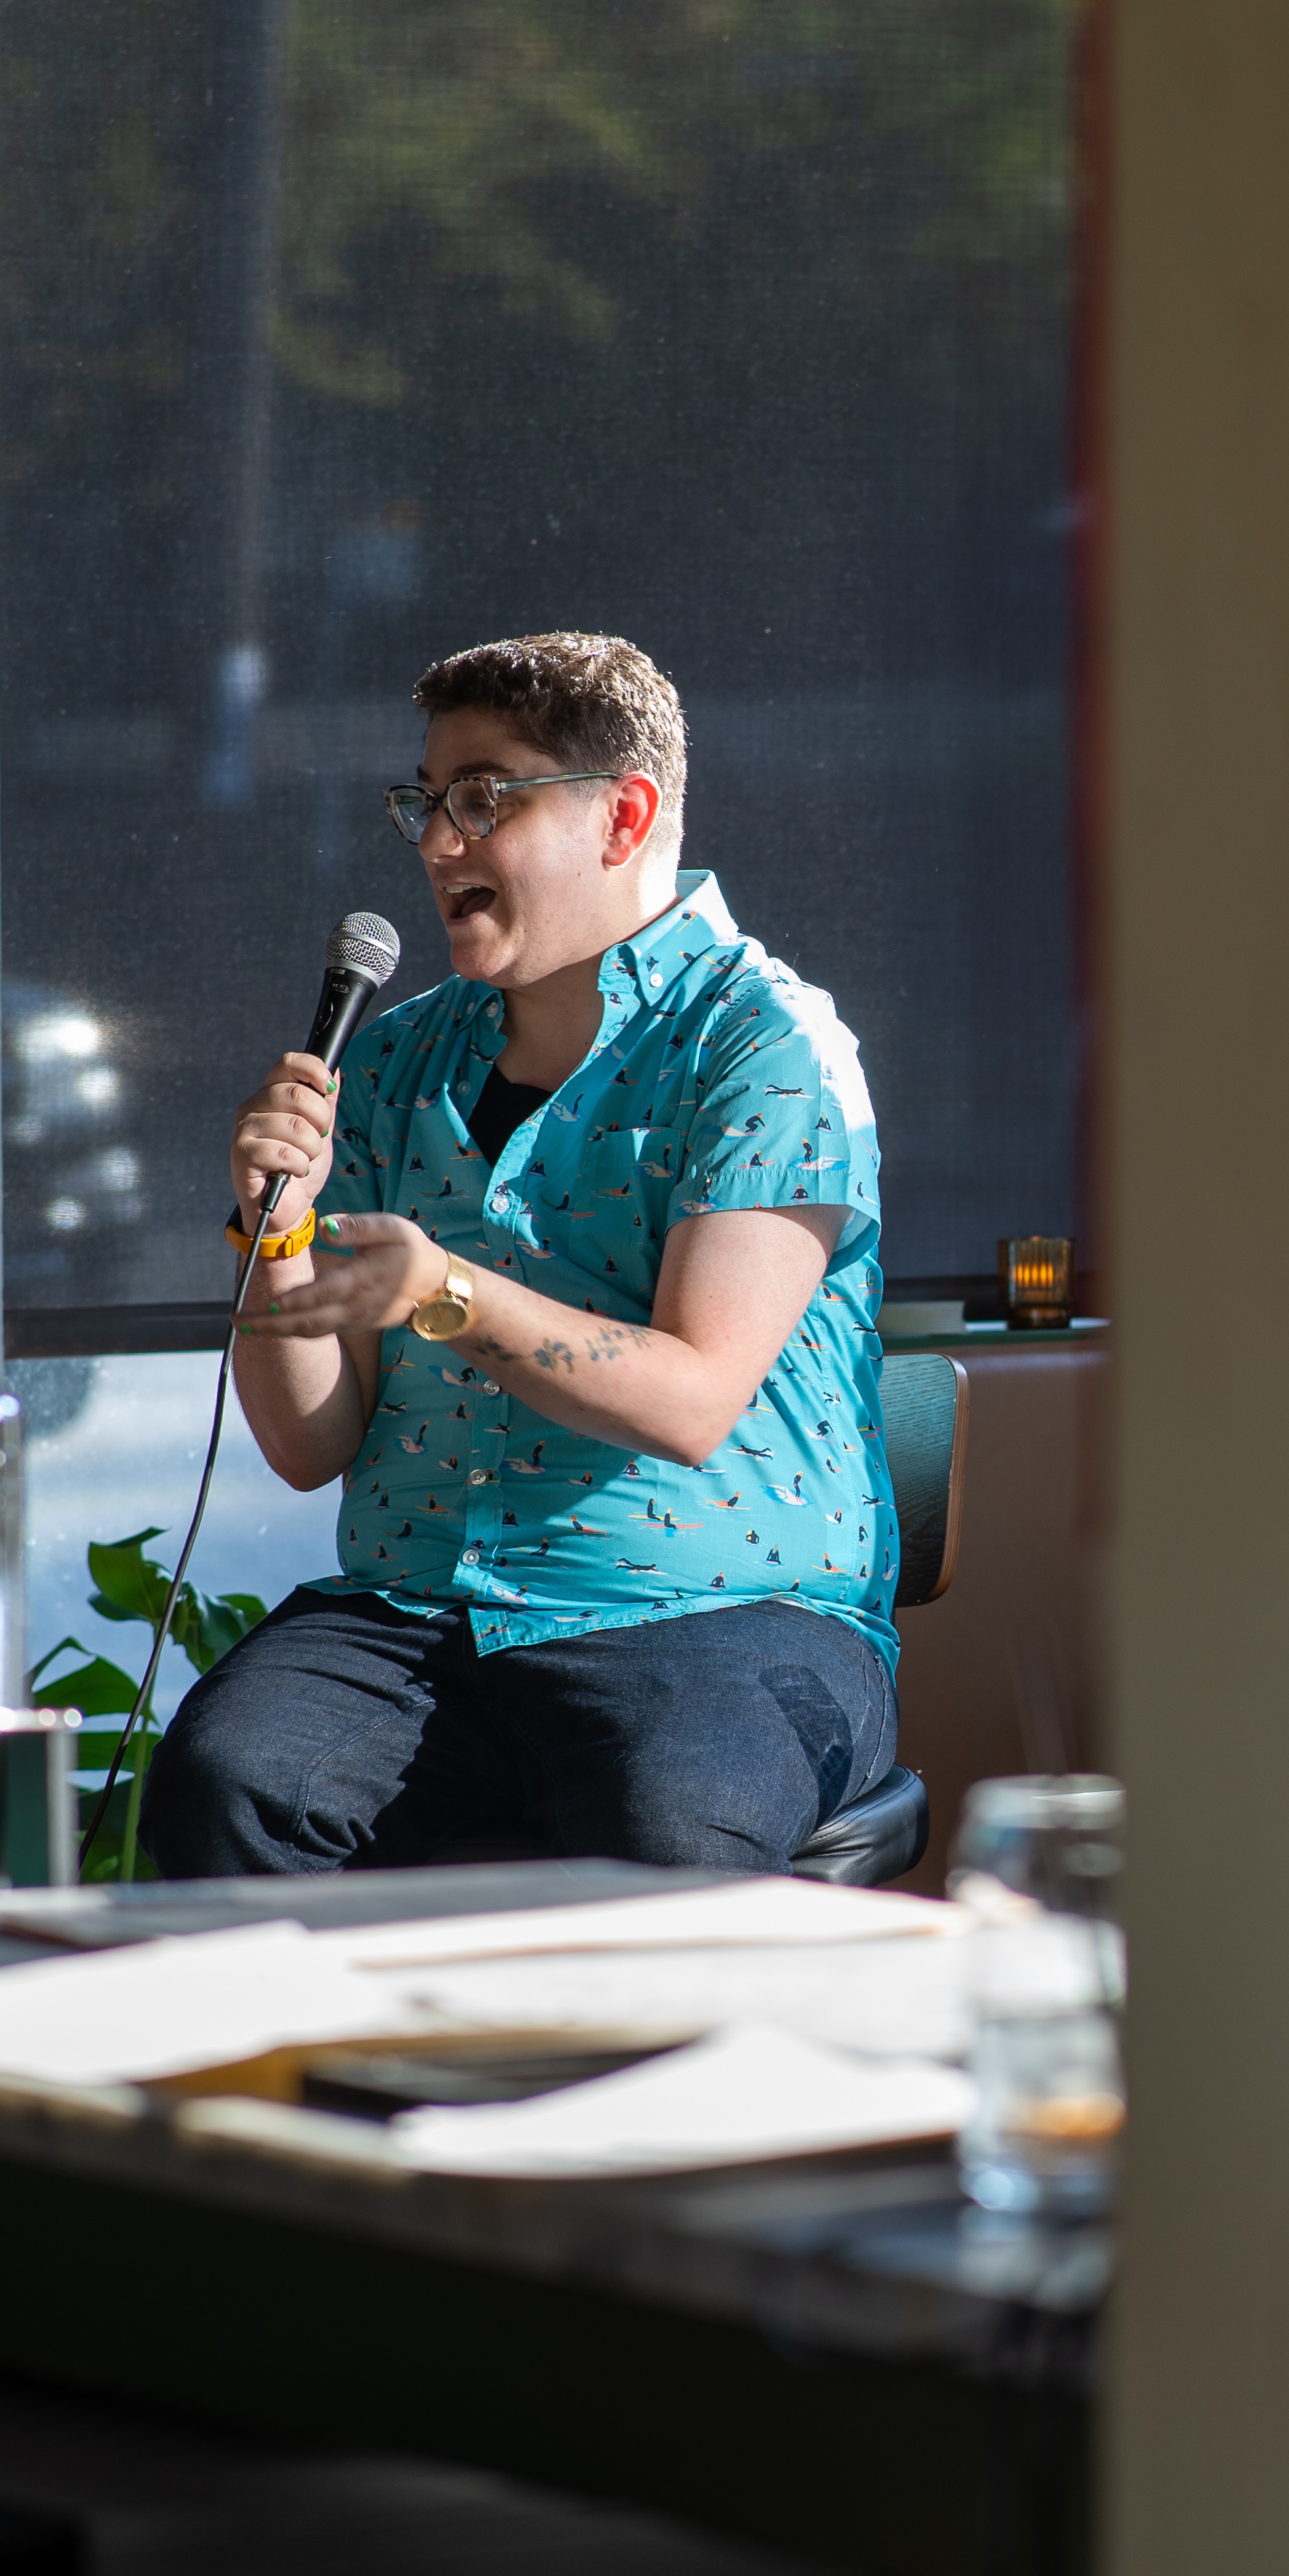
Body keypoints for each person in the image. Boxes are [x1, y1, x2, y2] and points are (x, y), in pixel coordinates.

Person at [144, 631, 896, 1874]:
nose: (440, 845)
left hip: (718, 1611)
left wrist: (441, 1291)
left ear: (624, 816)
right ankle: (329, 2078)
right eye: (426, 805)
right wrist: (275, 1227)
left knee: (666, 1829)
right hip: (417, 1611)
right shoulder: (390, 1061)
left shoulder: (763, 1043)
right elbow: (308, 1445)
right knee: (227, 1788)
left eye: (484, 801)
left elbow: (695, 1397)